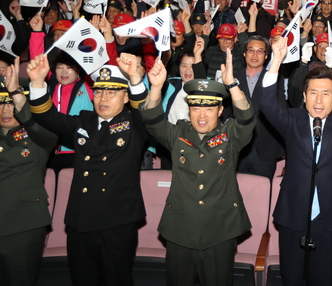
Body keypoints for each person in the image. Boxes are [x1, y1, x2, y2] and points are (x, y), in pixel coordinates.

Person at [258, 34, 332, 286]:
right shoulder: (292, 121)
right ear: (304, 96)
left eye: (326, 94)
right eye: (313, 93)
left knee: (324, 279)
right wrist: (276, 61)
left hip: (330, 215)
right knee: (291, 278)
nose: (319, 100)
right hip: (293, 214)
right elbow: (267, 102)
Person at [27, 55, 149, 286]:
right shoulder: (84, 120)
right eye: (99, 92)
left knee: (116, 279)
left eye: (111, 92)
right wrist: (37, 82)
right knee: (83, 278)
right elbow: (46, 116)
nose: (103, 98)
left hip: (117, 220)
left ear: (125, 97)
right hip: (80, 218)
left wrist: (134, 79)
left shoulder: (135, 123)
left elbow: (146, 111)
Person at [138, 49, 256, 286]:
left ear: (220, 110)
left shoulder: (229, 134)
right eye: (196, 108)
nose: (202, 115)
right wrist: (156, 88)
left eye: (209, 109)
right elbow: (151, 120)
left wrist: (232, 84)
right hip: (180, 230)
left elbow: (246, 118)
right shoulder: (178, 133)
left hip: (219, 231)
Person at [0, 58, 57, 286]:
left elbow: (46, 129)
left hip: (21, 229)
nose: (6, 110)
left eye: (11, 104)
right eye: (0, 104)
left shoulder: (39, 134)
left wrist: (17, 93)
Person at [234, 35, 286, 179]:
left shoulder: (275, 79)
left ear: (266, 56)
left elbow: (281, 110)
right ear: (244, 53)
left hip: (264, 149)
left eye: (260, 51)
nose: (255, 54)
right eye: (251, 50)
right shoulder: (232, 78)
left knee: (261, 195)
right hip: (237, 148)